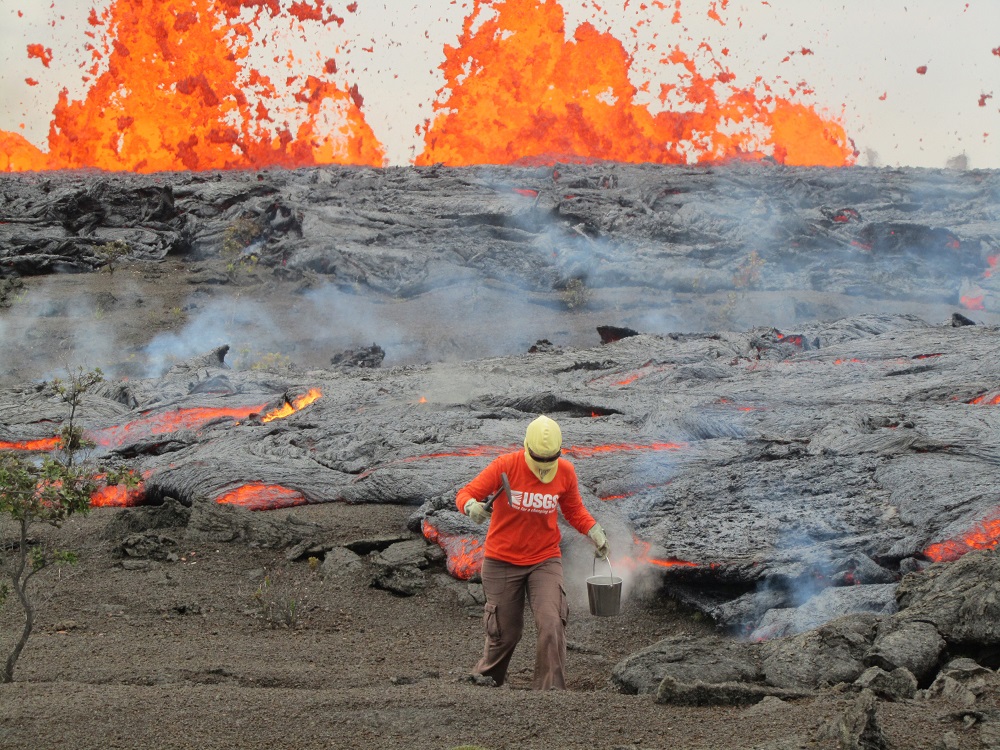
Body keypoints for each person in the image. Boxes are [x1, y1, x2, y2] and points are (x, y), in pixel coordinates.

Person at [456, 414, 610, 690]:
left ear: (558, 453)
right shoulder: (506, 465)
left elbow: (574, 510)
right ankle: (483, 687)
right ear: (526, 448)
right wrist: (471, 507)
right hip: (501, 560)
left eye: (548, 461)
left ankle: (550, 695)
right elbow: (466, 493)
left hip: (544, 559)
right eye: (538, 460)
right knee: (506, 634)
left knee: (551, 623)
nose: (543, 467)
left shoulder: (565, 472)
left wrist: (594, 530)